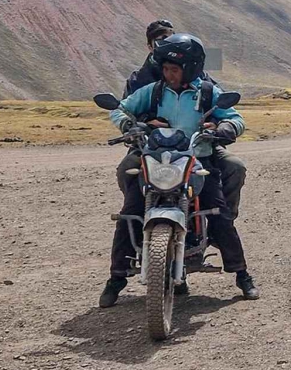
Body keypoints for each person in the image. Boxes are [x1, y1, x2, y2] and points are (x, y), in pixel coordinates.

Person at [101, 33, 258, 308]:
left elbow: (235, 117)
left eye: (174, 69)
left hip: (197, 161)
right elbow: (121, 109)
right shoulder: (154, 91)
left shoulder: (207, 92)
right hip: (156, 160)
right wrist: (130, 125)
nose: (168, 74)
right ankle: (116, 277)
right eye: (165, 68)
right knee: (131, 210)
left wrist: (226, 128)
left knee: (218, 212)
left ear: (190, 69)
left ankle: (241, 274)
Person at [119, 19, 248, 221]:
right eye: (160, 40)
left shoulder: (197, 76)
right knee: (127, 169)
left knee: (234, 167)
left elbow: (215, 103)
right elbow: (127, 108)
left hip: (196, 142)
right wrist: (143, 123)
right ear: (149, 45)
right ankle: (139, 211)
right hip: (152, 144)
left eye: (170, 38)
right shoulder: (140, 79)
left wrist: (217, 126)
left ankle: (225, 219)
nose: (166, 44)